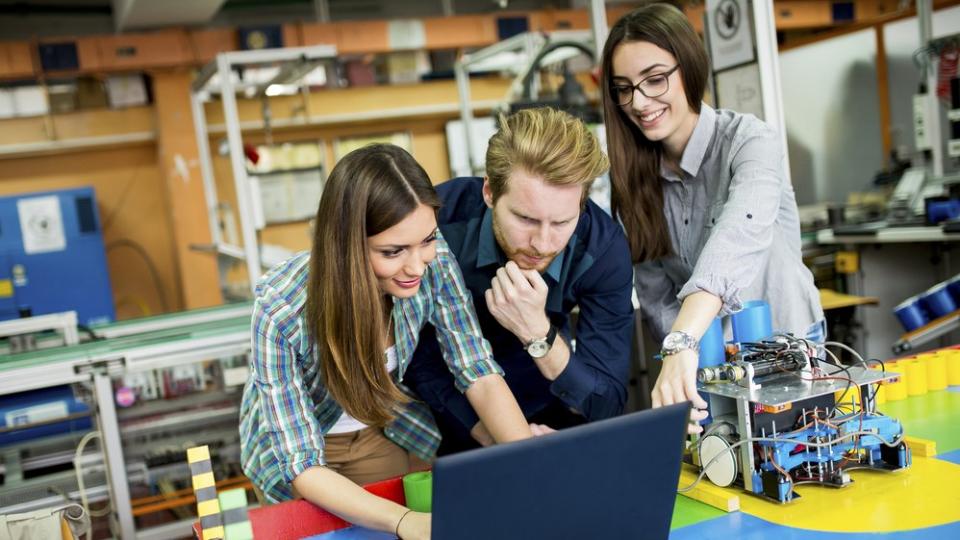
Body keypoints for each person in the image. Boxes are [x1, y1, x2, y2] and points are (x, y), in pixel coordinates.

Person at [239, 144, 533, 540]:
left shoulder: (434, 259)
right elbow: (301, 465)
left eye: (426, 239)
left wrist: (534, 464)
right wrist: (401, 521)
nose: (416, 265)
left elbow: (476, 369)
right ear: (346, 245)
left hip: (382, 428)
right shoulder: (281, 310)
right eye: (392, 251)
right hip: (300, 451)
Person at [599, 3, 825, 431]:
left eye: (655, 79)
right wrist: (686, 363)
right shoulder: (634, 176)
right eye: (624, 88)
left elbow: (736, 237)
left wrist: (682, 343)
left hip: (790, 350)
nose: (639, 102)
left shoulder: (750, 141)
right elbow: (655, 293)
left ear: (691, 66)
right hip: (710, 366)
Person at [405, 107, 635, 453]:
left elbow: (606, 401)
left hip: (548, 412)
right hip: (450, 416)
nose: (543, 244)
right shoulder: (437, 223)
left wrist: (537, 334)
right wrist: (490, 432)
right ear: (489, 193)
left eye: (561, 223)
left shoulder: (602, 250)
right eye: (526, 219)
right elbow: (414, 353)